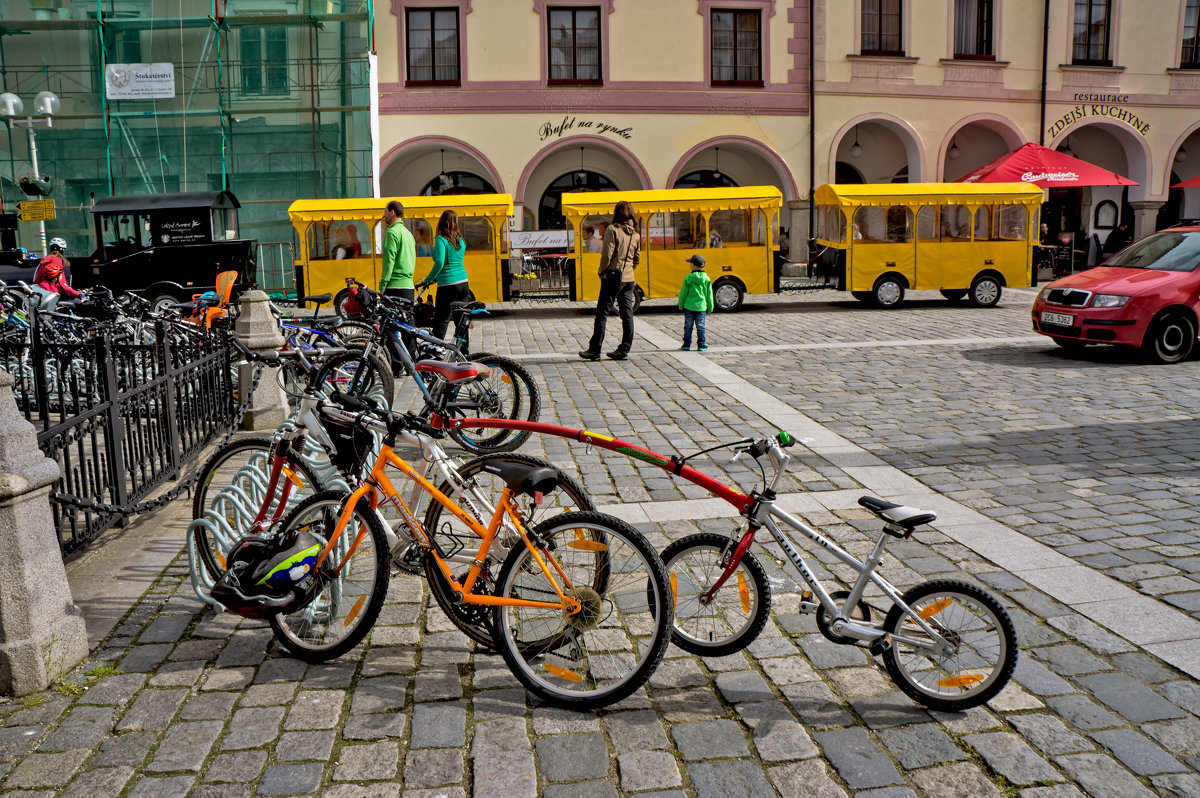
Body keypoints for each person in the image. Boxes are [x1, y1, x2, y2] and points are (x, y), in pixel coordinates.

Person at [579, 200, 641, 361]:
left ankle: (595, 349)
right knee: (627, 314)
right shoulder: (635, 234)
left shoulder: (612, 230)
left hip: (613, 276)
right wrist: (628, 269)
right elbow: (637, 259)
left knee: (602, 313)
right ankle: (624, 349)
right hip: (629, 279)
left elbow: (607, 254)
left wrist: (602, 271)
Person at [419, 209, 471, 339]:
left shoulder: (440, 239)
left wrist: (429, 279)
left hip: (448, 285)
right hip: (463, 283)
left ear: (441, 222)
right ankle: (464, 351)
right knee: (461, 320)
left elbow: (440, 263)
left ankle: (436, 351)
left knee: (442, 319)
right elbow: (453, 261)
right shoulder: (461, 241)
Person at [380, 200, 416, 302]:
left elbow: (388, 262)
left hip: (394, 287)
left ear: (392, 212)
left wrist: (383, 286)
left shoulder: (391, 233)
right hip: (408, 286)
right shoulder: (408, 234)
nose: (384, 215)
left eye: (385, 212)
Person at [677, 254, 714, 352]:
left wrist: (680, 304)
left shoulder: (688, 278)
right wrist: (710, 306)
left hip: (689, 306)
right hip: (701, 307)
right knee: (701, 326)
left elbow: (683, 293)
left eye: (690, 263)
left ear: (693, 265)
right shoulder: (706, 278)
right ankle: (701, 345)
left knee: (688, 326)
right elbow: (709, 294)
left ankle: (686, 344)